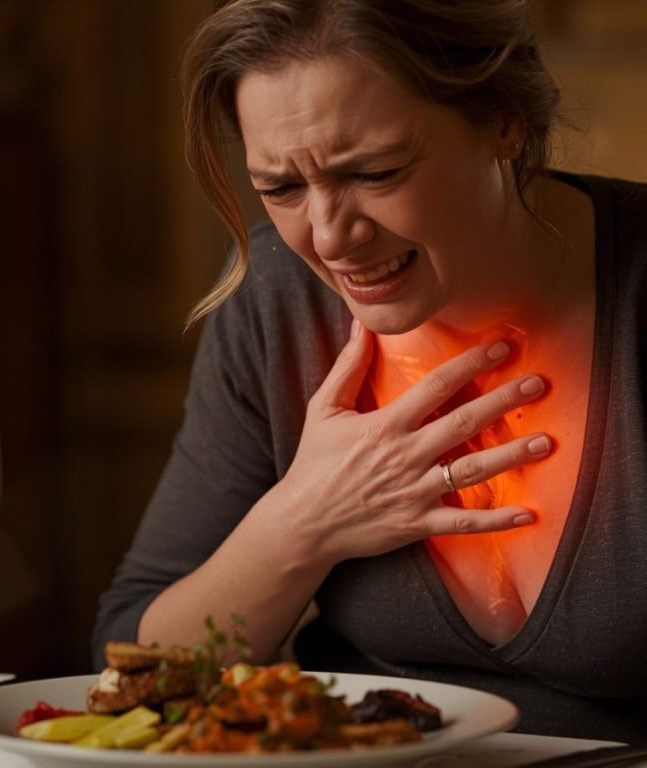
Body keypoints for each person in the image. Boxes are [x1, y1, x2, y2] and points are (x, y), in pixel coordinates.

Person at [93, 0, 647, 744]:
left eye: (376, 172)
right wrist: (304, 525)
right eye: (280, 187)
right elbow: (130, 672)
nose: (329, 238)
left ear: (505, 121)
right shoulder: (276, 302)